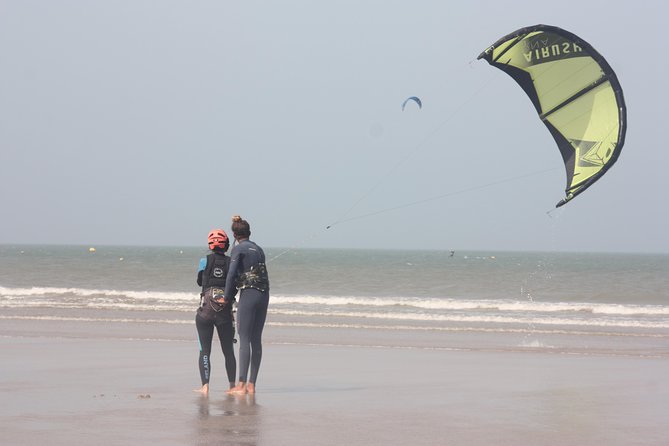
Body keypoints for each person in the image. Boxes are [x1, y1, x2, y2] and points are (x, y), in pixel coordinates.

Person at [224, 215, 270, 395]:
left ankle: (241, 385)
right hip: (264, 294)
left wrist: (227, 297)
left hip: (249, 294)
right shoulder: (258, 249)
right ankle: (252, 385)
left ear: (235, 235)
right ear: (249, 232)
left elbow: (231, 274)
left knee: (244, 338)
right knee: (256, 339)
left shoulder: (239, 249)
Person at [194, 229, 237, 396]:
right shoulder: (231, 262)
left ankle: (205, 386)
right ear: (226, 245)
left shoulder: (204, 261)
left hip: (205, 313)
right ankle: (232, 386)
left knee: (204, 350)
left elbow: (199, 282)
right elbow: (235, 283)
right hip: (224, 315)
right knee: (228, 351)